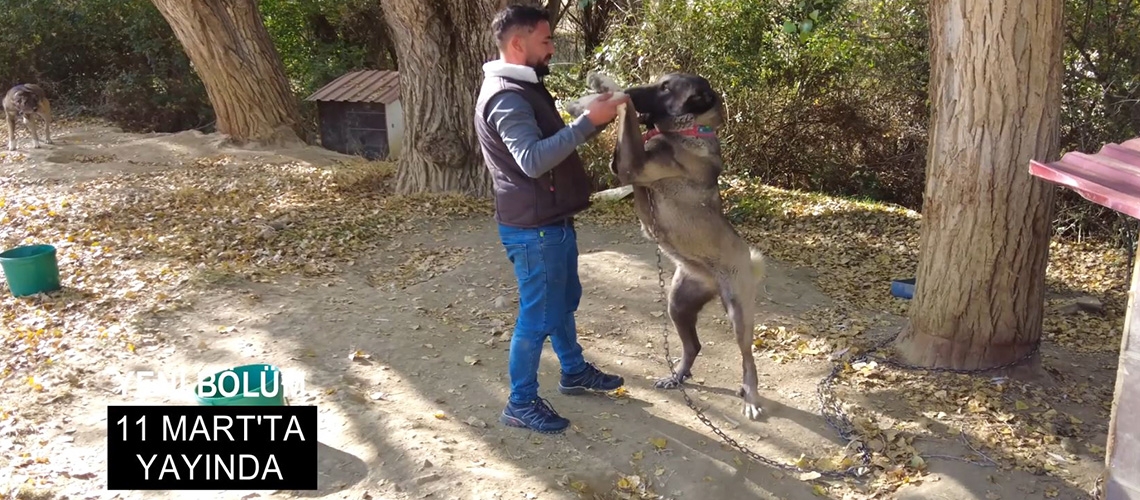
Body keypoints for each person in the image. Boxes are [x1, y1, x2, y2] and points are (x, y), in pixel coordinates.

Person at [473, 4, 630, 434]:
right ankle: (520, 402)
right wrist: (585, 123)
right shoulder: (506, 95)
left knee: (560, 303)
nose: (552, 48)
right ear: (519, 44)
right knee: (538, 316)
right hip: (534, 229)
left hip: (549, 221)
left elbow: (549, 142)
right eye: (546, 41)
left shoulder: (523, 86)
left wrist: (592, 120)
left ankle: (573, 371)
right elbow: (531, 160)